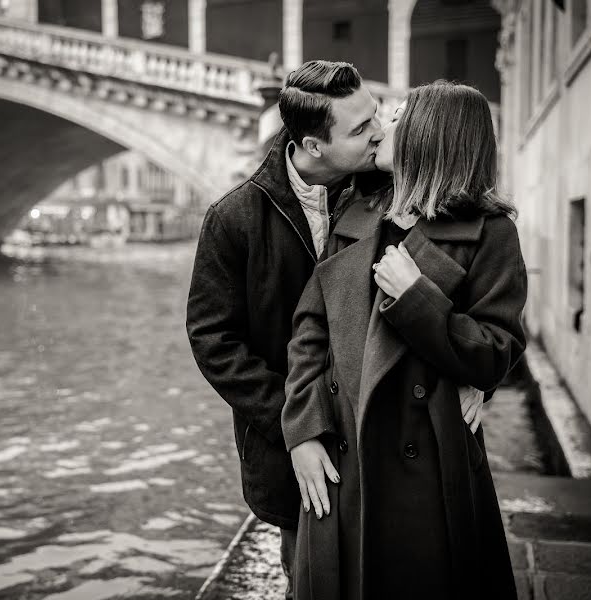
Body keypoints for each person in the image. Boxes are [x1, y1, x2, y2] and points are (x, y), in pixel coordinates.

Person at [282, 80, 527, 600]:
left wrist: (416, 298)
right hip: (342, 456)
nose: (380, 131)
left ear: (428, 137)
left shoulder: (491, 233)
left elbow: (498, 350)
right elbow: (310, 332)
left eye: (395, 119)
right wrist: (303, 430)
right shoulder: (356, 211)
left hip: (430, 468)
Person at [186, 60, 391, 597]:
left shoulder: (389, 189)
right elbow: (213, 342)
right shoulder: (233, 219)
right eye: (360, 128)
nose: (380, 131)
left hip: (383, 431)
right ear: (313, 145)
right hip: (288, 447)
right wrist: (295, 423)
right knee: (310, 577)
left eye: (375, 114)